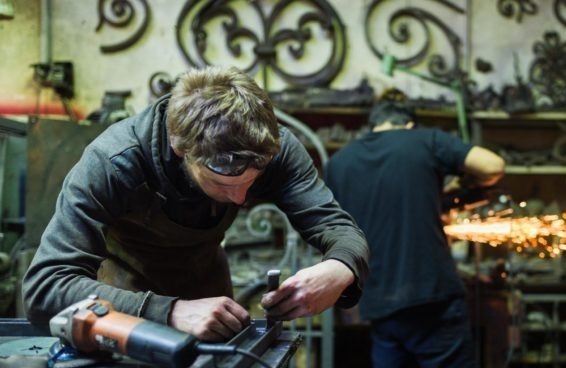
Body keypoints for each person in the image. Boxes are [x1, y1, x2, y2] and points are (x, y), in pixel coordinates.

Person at [22, 66, 369, 341]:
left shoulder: (277, 148)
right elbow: (45, 286)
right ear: (179, 147)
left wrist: (340, 268)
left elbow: (338, 228)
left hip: (207, 286)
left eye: (250, 184)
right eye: (222, 184)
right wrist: (170, 312)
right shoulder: (113, 162)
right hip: (119, 298)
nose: (240, 198)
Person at [324, 97, 504, 368]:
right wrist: (467, 182)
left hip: (379, 300)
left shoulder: (340, 162)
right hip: (432, 296)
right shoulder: (424, 141)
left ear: (375, 125)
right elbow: (493, 166)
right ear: (407, 124)